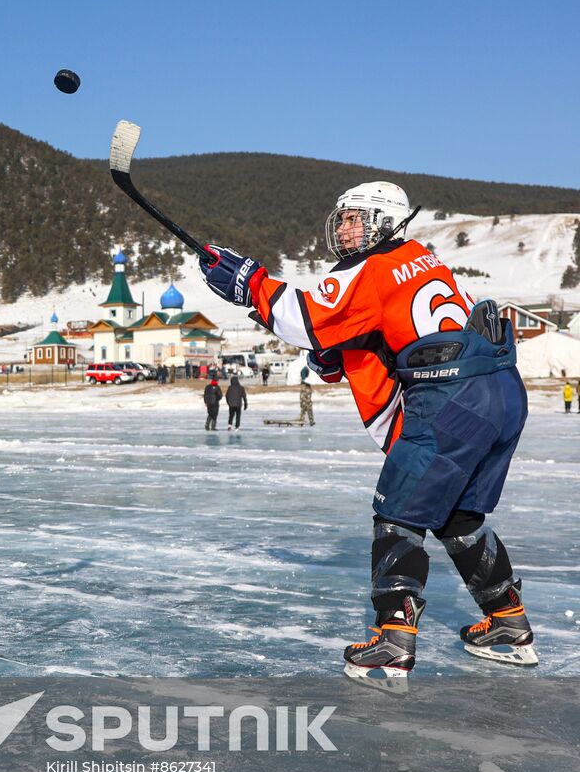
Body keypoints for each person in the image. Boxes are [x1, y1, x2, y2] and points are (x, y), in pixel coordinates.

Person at [197, 181, 532, 683]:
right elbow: (379, 332)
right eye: (343, 219)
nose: (345, 228)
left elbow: (305, 317)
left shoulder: (372, 269)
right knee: (459, 517)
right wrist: (336, 348)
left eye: (356, 218)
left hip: (450, 400)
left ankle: (394, 642)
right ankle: (509, 625)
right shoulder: (421, 256)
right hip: (501, 392)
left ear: (384, 220)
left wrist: (249, 282)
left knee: (398, 515)